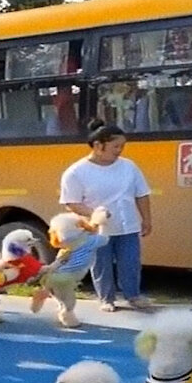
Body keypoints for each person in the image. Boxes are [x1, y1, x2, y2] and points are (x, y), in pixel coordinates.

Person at [59, 118, 153, 313]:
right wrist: (94, 214)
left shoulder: (129, 166)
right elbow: (71, 202)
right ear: (98, 145)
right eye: (115, 146)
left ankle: (133, 295)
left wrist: (147, 219)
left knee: (130, 262)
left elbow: (141, 194)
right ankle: (106, 298)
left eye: (122, 146)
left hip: (128, 225)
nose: (120, 150)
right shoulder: (76, 172)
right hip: (97, 229)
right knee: (101, 264)